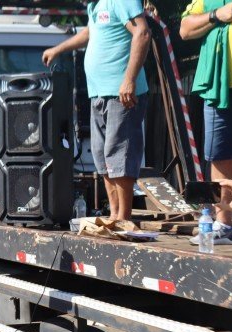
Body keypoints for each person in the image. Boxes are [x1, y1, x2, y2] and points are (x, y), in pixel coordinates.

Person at [43, 0, 151, 222]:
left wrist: (129, 79)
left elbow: (142, 32)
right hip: (98, 93)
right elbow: (90, 32)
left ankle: (124, 218)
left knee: (119, 152)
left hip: (122, 93)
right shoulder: (95, 6)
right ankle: (114, 214)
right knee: (102, 155)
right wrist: (58, 49)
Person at [180, 0, 232, 245]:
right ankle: (225, 226)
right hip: (220, 84)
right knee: (219, 155)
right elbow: (185, 29)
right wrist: (218, 14)